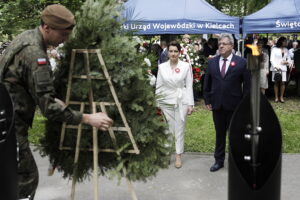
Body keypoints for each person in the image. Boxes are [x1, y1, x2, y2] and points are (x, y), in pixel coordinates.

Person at [0, 4, 113, 200]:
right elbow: (49, 109)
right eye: (63, 34)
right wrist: (88, 118)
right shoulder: (36, 54)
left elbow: (25, 84)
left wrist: (51, 98)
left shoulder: (25, 38)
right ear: (47, 28)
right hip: (10, 128)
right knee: (25, 179)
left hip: (6, 118)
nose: (65, 40)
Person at [203, 33, 250, 172]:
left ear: (232, 46)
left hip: (235, 105)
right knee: (219, 134)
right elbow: (207, 83)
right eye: (219, 44)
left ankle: (236, 161)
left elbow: (247, 86)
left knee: (235, 135)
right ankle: (219, 160)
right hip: (217, 105)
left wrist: (244, 104)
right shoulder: (212, 62)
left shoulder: (241, 62)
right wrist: (207, 99)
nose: (221, 46)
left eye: (224, 44)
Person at [155, 41, 194, 169]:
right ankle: (167, 153)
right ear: (167, 52)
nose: (173, 54)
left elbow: (189, 86)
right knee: (168, 129)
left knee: (180, 128)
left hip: (181, 100)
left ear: (179, 52)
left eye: (175, 51)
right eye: (171, 51)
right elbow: (159, 86)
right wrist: (157, 102)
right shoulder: (162, 67)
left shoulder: (185, 66)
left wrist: (190, 104)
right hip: (166, 101)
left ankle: (178, 155)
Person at [270, 36, 292, 103]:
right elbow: (271, 59)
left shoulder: (286, 50)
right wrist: (275, 67)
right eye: (285, 41)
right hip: (276, 68)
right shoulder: (274, 49)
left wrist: (287, 62)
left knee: (283, 83)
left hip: (283, 68)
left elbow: (289, 59)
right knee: (276, 83)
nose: (286, 42)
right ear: (281, 41)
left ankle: (281, 97)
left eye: (286, 41)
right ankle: (276, 97)